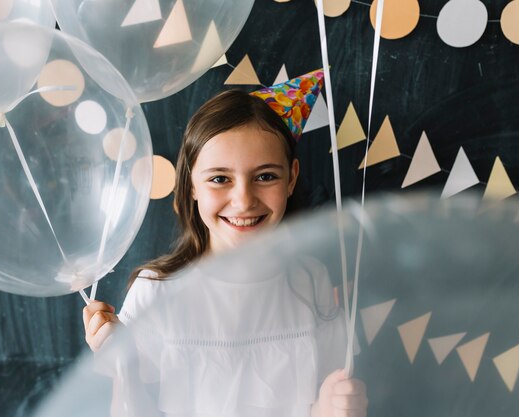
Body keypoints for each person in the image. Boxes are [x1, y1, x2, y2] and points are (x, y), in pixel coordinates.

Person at [83, 77, 368, 417]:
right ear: (191, 185)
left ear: (291, 178)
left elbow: (320, 402)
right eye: (220, 178)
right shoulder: (156, 293)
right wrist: (122, 367)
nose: (244, 200)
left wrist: (332, 407)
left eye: (265, 176)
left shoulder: (311, 280)